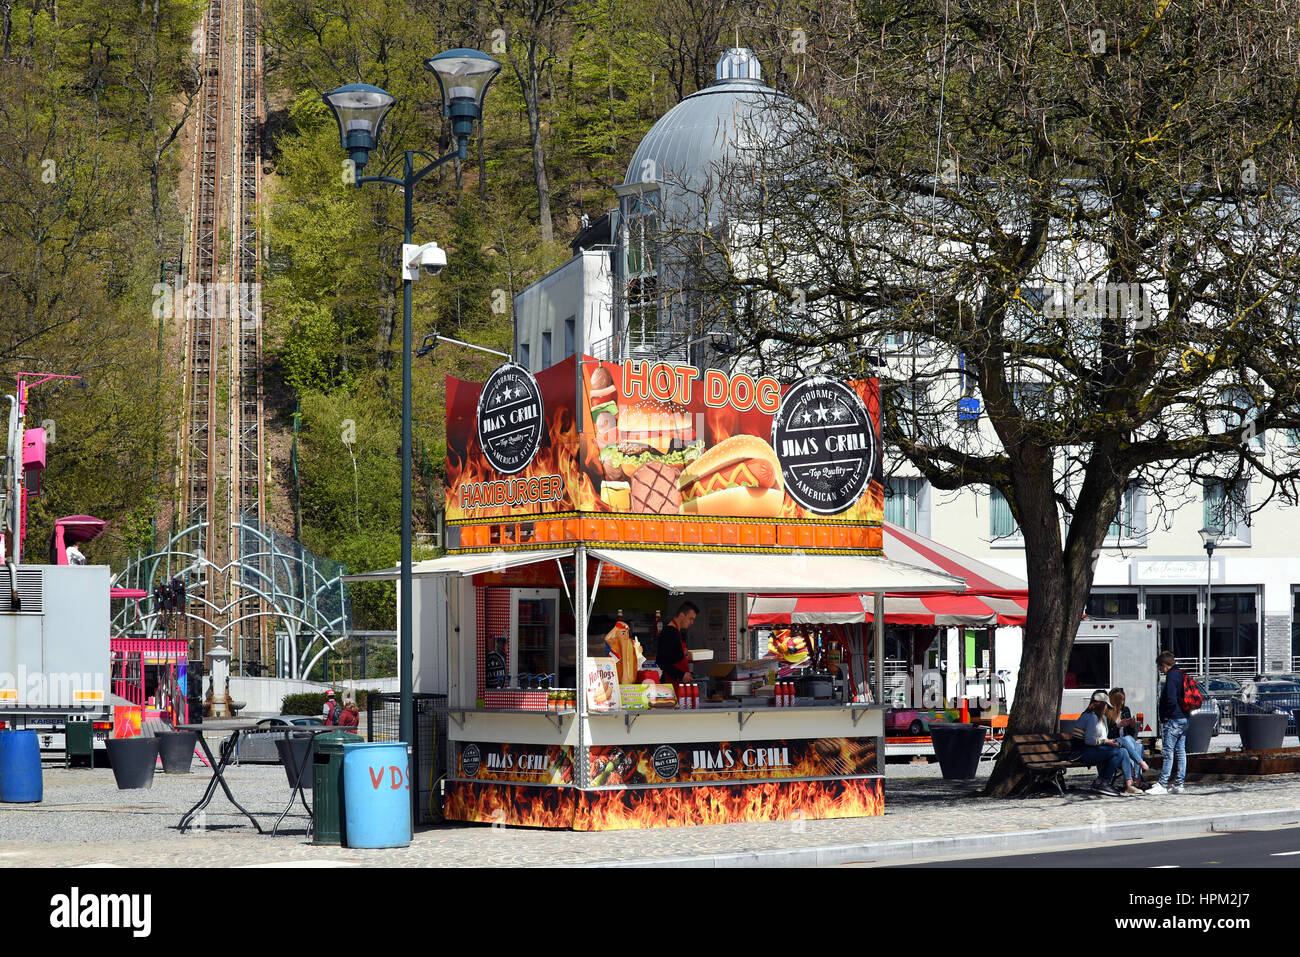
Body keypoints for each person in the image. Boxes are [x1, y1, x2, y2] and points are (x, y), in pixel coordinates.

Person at [1076, 690, 1143, 796]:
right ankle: (1103, 782)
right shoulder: (1091, 717)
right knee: (1119, 752)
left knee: (1122, 751)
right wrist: (1106, 741)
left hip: (1094, 749)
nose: (1107, 708)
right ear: (1101, 705)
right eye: (1106, 705)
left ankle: (1103, 782)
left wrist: (1108, 742)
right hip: (1083, 752)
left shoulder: (1101, 718)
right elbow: (1088, 740)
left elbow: (1101, 737)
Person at [1150, 651, 1189, 795]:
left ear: (1165, 665)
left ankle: (1163, 783)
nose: (1160, 670)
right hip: (1184, 717)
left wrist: (1166, 716)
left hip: (1173, 719)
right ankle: (1179, 784)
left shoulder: (1172, 676)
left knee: (1168, 752)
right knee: (1180, 751)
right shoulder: (1181, 673)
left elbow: (1171, 699)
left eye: (1160, 667)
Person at [1107, 687, 1150, 782]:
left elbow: (1131, 734)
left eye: (1123, 700)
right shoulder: (1108, 713)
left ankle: (1137, 778)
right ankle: (1136, 773)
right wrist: (1118, 726)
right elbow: (1107, 734)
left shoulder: (1126, 710)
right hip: (1115, 742)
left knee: (1138, 746)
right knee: (1127, 740)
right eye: (1120, 700)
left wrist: (1131, 726)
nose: (1122, 702)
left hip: (1128, 740)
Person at [655, 601, 700, 685]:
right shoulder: (669, 632)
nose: (692, 622)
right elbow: (662, 661)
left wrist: (685, 654)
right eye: (691, 618)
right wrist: (681, 675)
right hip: (671, 684)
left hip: (678, 683)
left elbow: (673, 656)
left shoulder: (677, 631)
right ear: (682, 615)